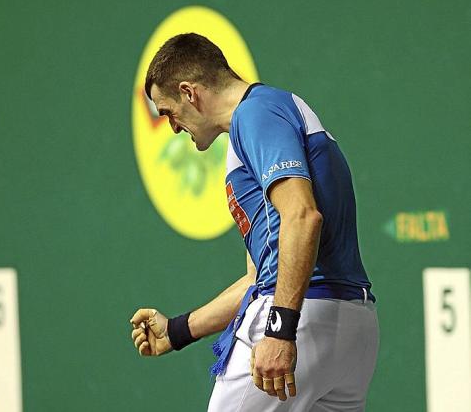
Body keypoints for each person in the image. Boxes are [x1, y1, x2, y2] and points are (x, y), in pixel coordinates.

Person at [130, 33, 379, 412]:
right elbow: (258, 277)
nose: (174, 127)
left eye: (167, 112)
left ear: (189, 92)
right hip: (351, 330)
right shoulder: (275, 113)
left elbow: (302, 216)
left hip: (304, 320)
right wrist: (178, 330)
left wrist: (280, 330)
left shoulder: (255, 114)